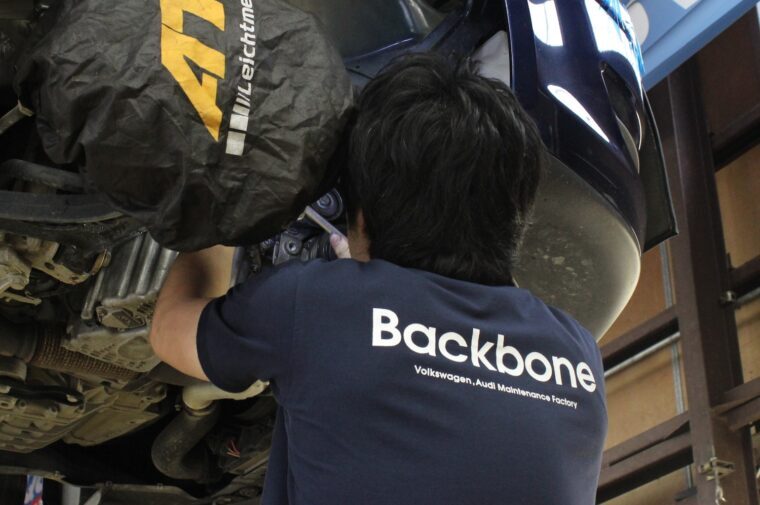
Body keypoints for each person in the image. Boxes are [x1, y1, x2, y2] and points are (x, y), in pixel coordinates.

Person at [149, 53, 607, 505]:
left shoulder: (317, 305)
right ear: (518, 219)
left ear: (361, 219)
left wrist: (227, 215)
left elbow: (169, 329)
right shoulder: (580, 360)